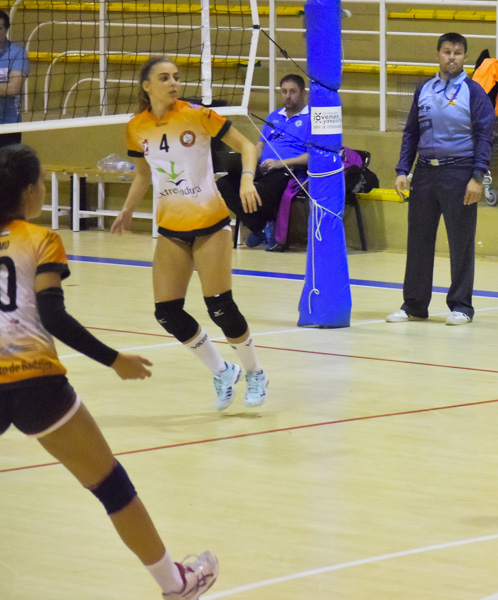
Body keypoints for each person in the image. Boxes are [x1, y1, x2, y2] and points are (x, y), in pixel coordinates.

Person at [0, 144, 218, 599]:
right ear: (30, 192)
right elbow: (53, 316)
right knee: (110, 484)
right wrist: (114, 359)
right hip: (34, 379)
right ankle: (176, 584)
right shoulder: (39, 239)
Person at [111, 57, 268, 410]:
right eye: (164, 78)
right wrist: (127, 209)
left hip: (210, 224)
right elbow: (143, 174)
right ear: (146, 86)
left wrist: (245, 179)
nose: (173, 83)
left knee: (220, 308)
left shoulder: (197, 114)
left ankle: (255, 372)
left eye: (176, 77)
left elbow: (247, 146)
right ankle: (222, 370)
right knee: (166, 312)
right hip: (171, 229)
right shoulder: (136, 126)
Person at [388, 32, 494, 327]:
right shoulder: (424, 88)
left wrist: (477, 177)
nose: (452, 57)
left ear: (464, 58)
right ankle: (414, 305)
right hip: (424, 173)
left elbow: (486, 135)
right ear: (438, 55)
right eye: (447, 51)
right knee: (419, 240)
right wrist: (402, 170)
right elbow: (411, 132)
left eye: (458, 53)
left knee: (461, 243)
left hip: (460, 173)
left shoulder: (473, 92)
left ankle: (461, 306)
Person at [217, 73, 309, 251]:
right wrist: (249, 164)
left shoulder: (311, 118)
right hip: (265, 168)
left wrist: (280, 163)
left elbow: (312, 156)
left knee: (256, 191)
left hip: (288, 172)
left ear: (303, 93)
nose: (288, 96)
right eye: (284, 91)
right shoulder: (274, 116)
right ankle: (261, 227)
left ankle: (260, 228)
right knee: (224, 184)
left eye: (293, 91)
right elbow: (259, 147)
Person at [0, 10, 29, 147]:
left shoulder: (17, 53)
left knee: (7, 166)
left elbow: (13, 88)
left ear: (6, 30)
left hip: (8, 125)